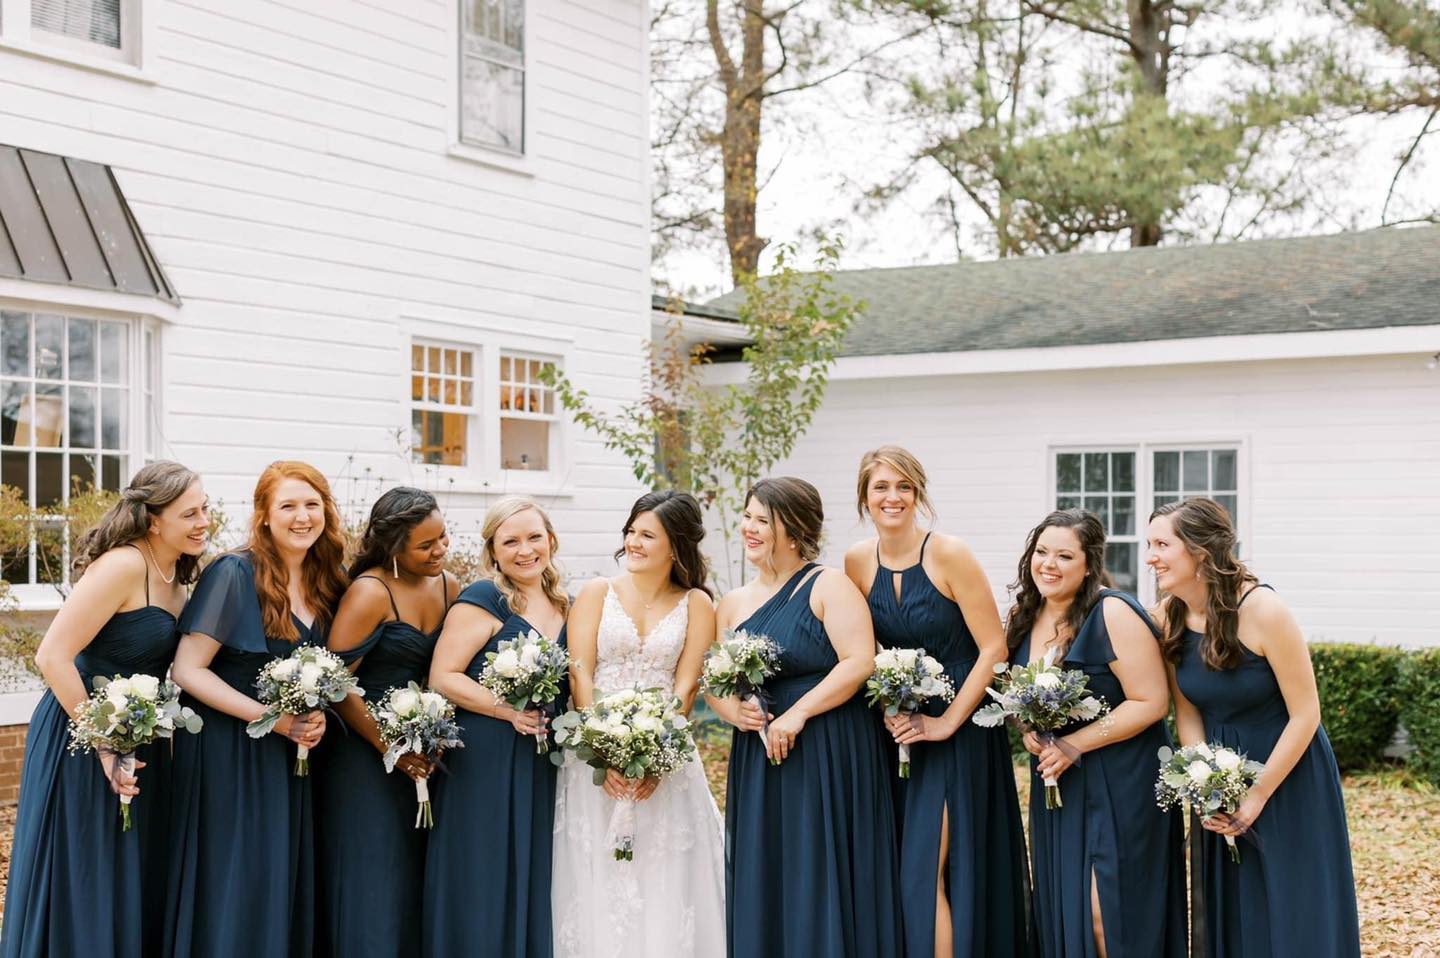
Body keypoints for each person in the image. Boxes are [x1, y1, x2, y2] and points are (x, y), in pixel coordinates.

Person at [1, 462, 208, 958]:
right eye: (190, 513)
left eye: (205, 509)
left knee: (132, 868)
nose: (204, 521)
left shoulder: (178, 569)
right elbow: (51, 655)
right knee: (89, 866)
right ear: (154, 519)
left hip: (143, 737)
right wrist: (103, 741)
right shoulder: (123, 565)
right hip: (82, 732)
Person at [1151, 497, 1360, 958]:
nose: (1151, 556)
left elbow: (1307, 713)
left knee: (1294, 904)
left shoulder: (1264, 610)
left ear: (1200, 552)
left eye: (1162, 544)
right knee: (1234, 907)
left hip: (1288, 774)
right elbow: (1187, 713)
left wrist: (1258, 792)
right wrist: (1205, 782)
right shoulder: (1170, 615)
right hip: (1221, 776)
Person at [844, 446, 1031, 957]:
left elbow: (994, 648)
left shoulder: (949, 554)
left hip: (959, 731)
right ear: (864, 496)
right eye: (881, 487)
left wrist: (946, 723)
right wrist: (889, 705)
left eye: (903, 486)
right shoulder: (857, 562)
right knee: (908, 870)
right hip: (901, 734)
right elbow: (864, 653)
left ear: (918, 493)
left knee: (929, 871)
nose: (893, 497)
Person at [165, 461, 348, 957]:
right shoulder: (233, 572)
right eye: (288, 506)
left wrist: (311, 720)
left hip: (293, 756)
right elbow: (188, 670)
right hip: (231, 752)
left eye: (312, 505)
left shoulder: (329, 580)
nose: (302, 517)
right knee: (239, 875)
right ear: (264, 516)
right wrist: (276, 721)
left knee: (280, 874)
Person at [712, 477, 901, 958]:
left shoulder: (827, 585)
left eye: (762, 520)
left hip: (828, 747)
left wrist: (796, 714)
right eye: (748, 517)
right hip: (760, 756)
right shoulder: (732, 602)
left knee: (820, 865)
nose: (749, 529)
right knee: (769, 866)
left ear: (793, 530)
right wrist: (734, 712)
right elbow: (714, 682)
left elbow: (859, 661)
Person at [551, 490, 725, 957]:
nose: (634, 541)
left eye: (648, 534)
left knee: (663, 871)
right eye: (631, 531)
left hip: (665, 757)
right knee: (599, 871)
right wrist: (601, 751)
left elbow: (686, 687)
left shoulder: (697, 603)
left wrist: (655, 754)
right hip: (594, 755)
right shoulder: (596, 593)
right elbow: (580, 671)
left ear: (676, 546)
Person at [1010, 509, 1185, 958]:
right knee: (1067, 908)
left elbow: (1150, 702)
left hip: (1122, 781)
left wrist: (1073, 744)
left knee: (1107, 913)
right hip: (1060, 786)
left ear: (1089, 564)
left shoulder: (1112, 612)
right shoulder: (1025, 617)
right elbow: (1021, 699)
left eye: (1064, 555)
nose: (1049, 564)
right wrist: (1030, 728)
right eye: (1042, 552)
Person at [425, 496, 569, 958]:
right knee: (484, 867)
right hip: (486, 755)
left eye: (533, 537)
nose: (525, 550)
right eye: (510, 541)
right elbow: (443, 677)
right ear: (493, 551)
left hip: (545, 756)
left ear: (551, 540)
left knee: (537, 866)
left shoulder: (569, 603)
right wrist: (506, 711)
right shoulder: (483, 599)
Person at [315, 487, 455, 958]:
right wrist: (391, 747)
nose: (439, 551)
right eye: (426, 545)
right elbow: (336, 685)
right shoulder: (369, 592)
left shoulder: (449, 586)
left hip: (424, 752)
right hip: (364, 755)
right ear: (395, 547)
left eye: (443, 537)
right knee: (374, 879)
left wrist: (427, 740)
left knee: (416, 878)